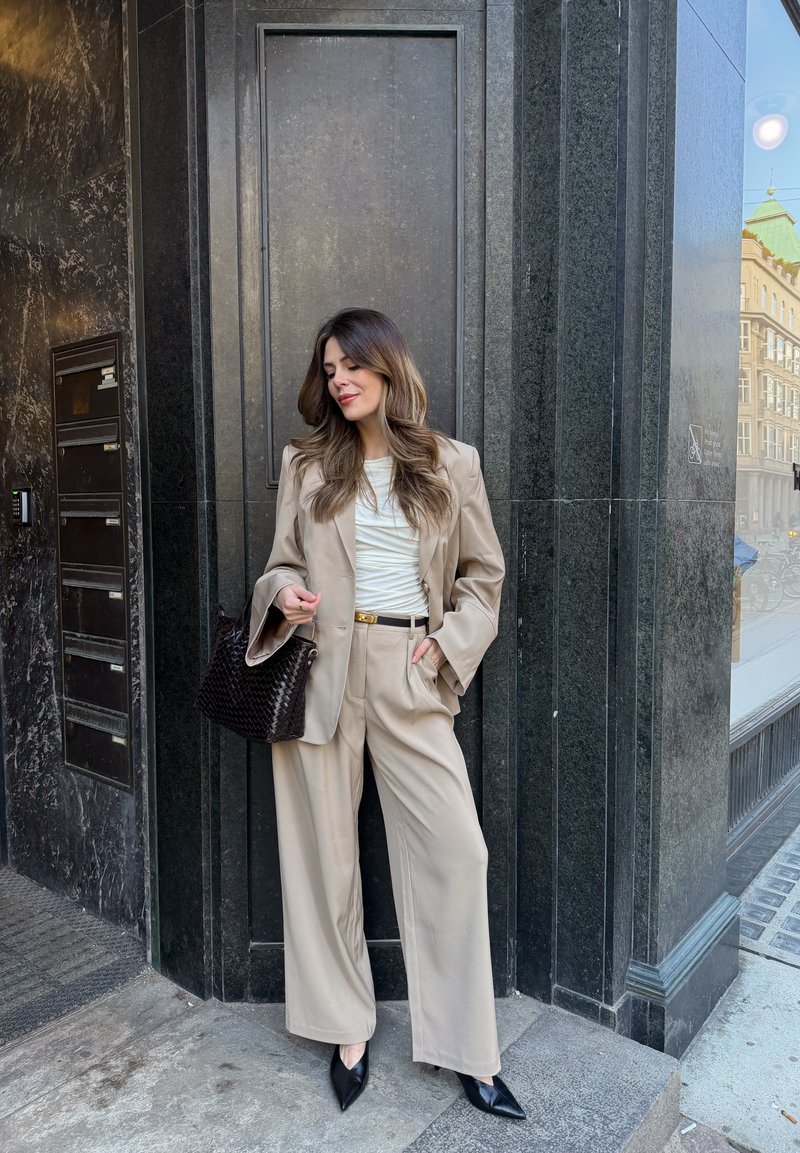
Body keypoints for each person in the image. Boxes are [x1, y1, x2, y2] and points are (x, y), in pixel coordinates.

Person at [245, 308, 525, 1120]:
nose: (339, 379)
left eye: (352, 365)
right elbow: (278, 564)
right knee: (322, 859)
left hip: (411, 669)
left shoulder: (450, 462)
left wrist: (445, 648)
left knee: (456, 851)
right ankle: (347, 1031)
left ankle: (469, 1048)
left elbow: (484, 575)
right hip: (322, 666)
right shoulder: (307, 463)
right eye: (329, 368)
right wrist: (282, 596)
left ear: (388, 368)